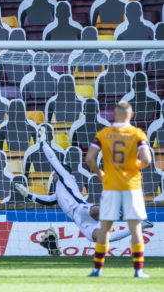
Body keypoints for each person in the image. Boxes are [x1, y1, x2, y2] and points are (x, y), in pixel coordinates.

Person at [15, 141, 153, 256]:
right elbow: (45, 200)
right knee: (101, 239)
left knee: (94, 211)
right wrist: (28, 195)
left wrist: (43, 143)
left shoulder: (66, 178)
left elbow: (54, 160)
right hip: (79, 220)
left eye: (54, 174)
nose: (53, 176)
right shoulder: (57, 194)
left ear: (59, 173)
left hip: (81, 208)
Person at [86, 101, 152, 278]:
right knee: (136, 229)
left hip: (111, 187)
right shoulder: (137, 134)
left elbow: (90, 158)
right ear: (130, 115)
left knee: (105, 229)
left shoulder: (104, 134)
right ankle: (138, 270)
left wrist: (101, 174)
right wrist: (134, 166)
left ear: (114, 115)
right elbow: (147, 159)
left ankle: (97, 269)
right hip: (131, 186)